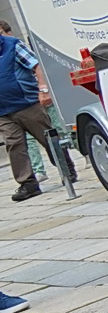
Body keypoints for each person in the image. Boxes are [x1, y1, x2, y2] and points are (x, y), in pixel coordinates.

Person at [0, 18, 52, 203]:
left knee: (47, 138)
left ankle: (65, 167)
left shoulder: (12, 45)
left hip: (27, 103)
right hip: (3, 111)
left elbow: (35, 65)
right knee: (14, 145)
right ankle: (28, 183)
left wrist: (43, 89)